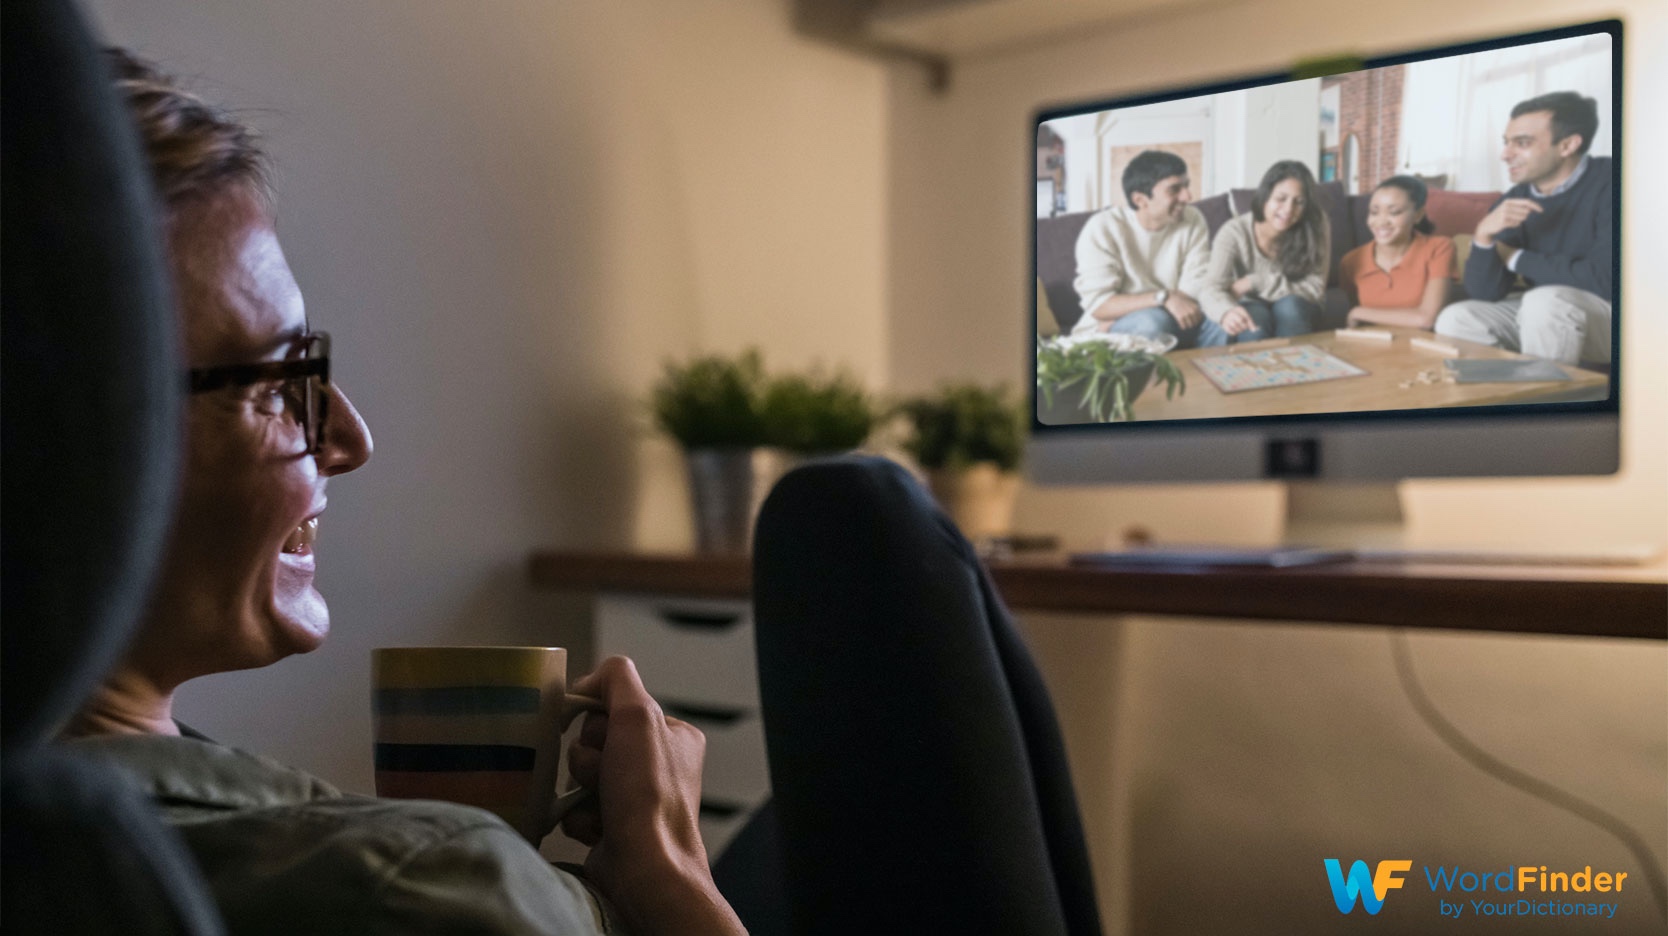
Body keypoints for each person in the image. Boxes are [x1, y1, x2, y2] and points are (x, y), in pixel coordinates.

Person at [64, 50, 746, 936]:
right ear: (63, 441)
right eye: (278, 385)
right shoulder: (418, 884)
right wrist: (678, 874)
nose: (349, 439)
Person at [1434, 91, 1612, 365]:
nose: (1505, 155)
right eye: (1506, 143)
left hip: (1620, 318)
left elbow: (1604, 280)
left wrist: (1514, 257)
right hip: (1547, 314)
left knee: (1544, 302)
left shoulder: (1614, 182)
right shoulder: (1517, 197)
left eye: (1522, 143)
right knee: (1456, 318)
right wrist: (1484, 237)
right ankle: (1503, 401)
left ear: (1567, 145)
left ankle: (1544, 403)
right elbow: (1486, 293)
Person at [1070, 149, 1216, 346]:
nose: (1187, 196)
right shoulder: (1103, 228)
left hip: (1178, 316)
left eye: (1186, 186)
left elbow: (1195, 289)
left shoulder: (1192, 218)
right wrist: (1164, 298)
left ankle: (1210, 375)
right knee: (1152, 321)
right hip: (1119, 327)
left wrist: (1169, 301)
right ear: (1140, 200)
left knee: (1229, 315)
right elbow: (1100, 305)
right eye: (1174, 190)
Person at [1199, 160, 1330, 343]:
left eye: (1299, 202)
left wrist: (1255, 281)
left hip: (1299, 302)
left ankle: (1295, 367)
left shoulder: (1315, 223)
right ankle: (1252, 371)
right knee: (1254, 320)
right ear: (1265, 196)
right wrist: (1225, 312)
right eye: (1281, 199)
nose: (1288, 209)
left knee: (1289, 307)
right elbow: (1210, 288)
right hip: (1252, 302)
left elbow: (1315, 288)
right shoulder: (1234, 232)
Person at [1337, 175, 1456, 330]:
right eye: (1374, 212)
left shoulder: (1440, 247)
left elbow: (1427, 319)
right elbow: (1360, 321)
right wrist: (1359, 314)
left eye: (1394, 212)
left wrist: (1358, 312)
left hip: (1421, 344)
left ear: (1418, 215)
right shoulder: (1351, 261)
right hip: (1372, 344)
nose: (1381, 221)